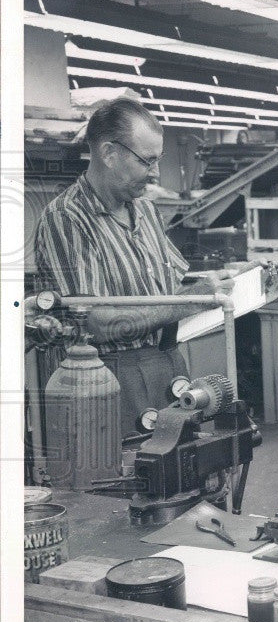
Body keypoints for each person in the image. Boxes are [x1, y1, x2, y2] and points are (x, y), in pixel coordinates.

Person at [33, 98, 233, 435]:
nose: (155, 174)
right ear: (109, 154)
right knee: (118, 481)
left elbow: (168, 288)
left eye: (158, 161)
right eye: (147, 161)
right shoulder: (66, 219)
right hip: (104, 378)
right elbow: (95, 324)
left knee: (184, 473)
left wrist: (219, 284)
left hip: (166, 364)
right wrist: (192, 300)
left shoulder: (146, 211)